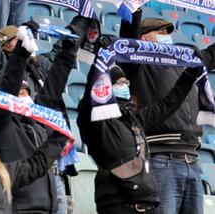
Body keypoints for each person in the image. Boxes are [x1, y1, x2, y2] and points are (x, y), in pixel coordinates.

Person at [115, 0, 215, 214]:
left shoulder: (184, 63)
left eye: (168, 34)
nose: (167, 38)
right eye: (160, 33)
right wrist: (135, 2)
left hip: (192, 160)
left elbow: (211, 55)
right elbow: (128, 38)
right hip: (161, 159)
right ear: (144, 39)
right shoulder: (139, 62)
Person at [0, 8, 80, 214]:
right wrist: (21, 54)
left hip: (51, 192)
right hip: (20, 205)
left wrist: (71, 48)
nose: (25, 95)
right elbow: (8, 83)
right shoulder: (0, 123)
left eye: (26, 91)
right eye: (20, 92)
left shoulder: (35, 117)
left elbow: (52, 91)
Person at [79, 62, 203, 213]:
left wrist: (190, 75)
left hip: (147, 206)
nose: (124, 86)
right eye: (119, 83)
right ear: (106, 88)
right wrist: (97, 65)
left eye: (126, 82)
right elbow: (86, 105)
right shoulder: (98, 123)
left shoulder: (136, 120)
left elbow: (169, 103)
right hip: (117, 207)